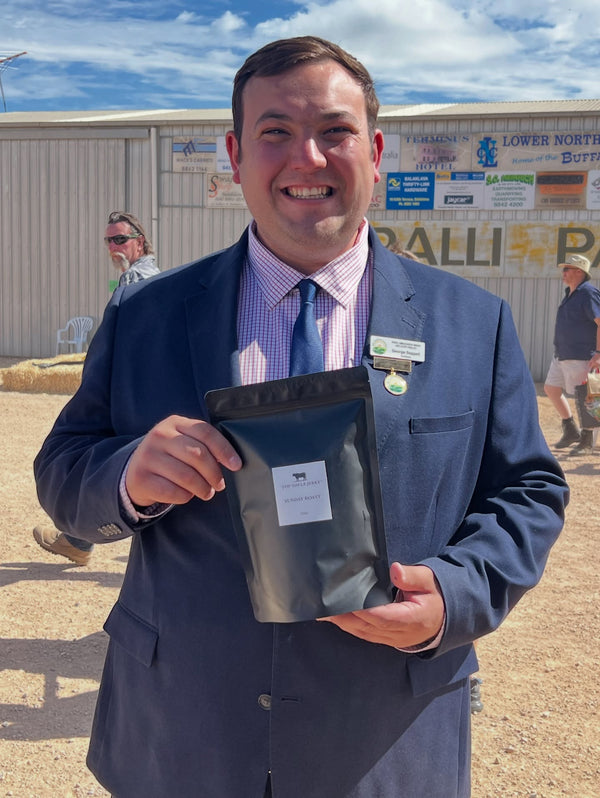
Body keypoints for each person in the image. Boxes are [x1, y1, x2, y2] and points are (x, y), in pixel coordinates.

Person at [34, 36, 568, 798]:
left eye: (335, 132)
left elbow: (528, 492)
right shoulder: (146, 315)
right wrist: (126, 476)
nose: (307, 159)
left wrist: (458, 593)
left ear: (376, 150)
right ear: (236, 153)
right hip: (182, 736)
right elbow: (63, 470)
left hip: (385, 736)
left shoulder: (471, 322)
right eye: (275, 132)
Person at [33, 211, 160, 566]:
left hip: (132, 382)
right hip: (143, 380)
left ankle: (79, 539)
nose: (113, 246)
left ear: (139, 240)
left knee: (101, 452)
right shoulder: (145, 275)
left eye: (120, 239)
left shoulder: (135, 277)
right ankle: (78, 540)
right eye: (109, 240)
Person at [543, 253, 600, 455]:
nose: (563, 272)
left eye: (567, 269)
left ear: (579, 272)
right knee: (551, 388)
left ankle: (587, 440)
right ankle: (570, 430)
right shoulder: (571, 293)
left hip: (582, 354)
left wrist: (599, 353)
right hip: (562, 354)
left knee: (586, 398)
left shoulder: (588, 293)